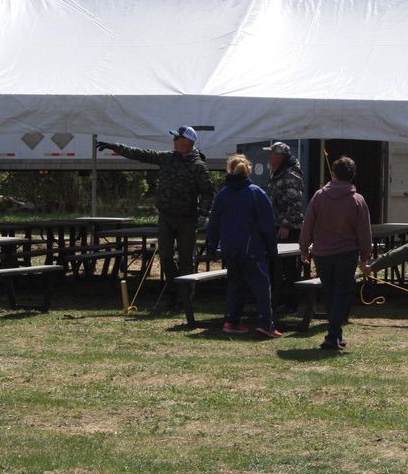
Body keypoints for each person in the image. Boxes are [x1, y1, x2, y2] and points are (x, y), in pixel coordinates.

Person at [96, 126, 214, 305]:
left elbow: (207, 192)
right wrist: (116, 147)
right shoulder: (167, 158)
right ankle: (175, 288)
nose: (174, 140)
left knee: (186, 260)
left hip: (187, 219)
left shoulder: (198, 166)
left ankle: (185, 298)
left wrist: (203, 214)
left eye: (177, 138)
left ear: (188, 142)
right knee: (165, 256)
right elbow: (140, 153)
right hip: (166, 217)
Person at [299, 156, 372, 350]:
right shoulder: (357, 200)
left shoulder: (319, 196)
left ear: (333, 173)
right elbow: (364, 231)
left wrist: (304, 248)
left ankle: (335, 334)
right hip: (346, 253)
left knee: (330, 293)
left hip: (322, 252)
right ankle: (333, 336)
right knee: (342, 294)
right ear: (353, 175)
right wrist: (365, 256)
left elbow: (308, 223)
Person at [206, 154, 282, 338]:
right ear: (247, 169)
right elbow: (268, 225)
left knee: (235, 285)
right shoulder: (256, 193)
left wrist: (211, 246)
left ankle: (232, 320)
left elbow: (214, 222)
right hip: (252, 248)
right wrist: (272, 249)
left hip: (230, 249)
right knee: (261, 285)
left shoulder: (222, 194)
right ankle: (266, 323)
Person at [263, 141, 306, 309]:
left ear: (280, 156)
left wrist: (286, 224)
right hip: (276, 224)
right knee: (276, 264)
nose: (269, 157)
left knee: (289, 266)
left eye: (272, 154)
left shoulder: (291, 173)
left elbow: (295, 202)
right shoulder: (277, 172)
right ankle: (278, 298)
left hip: (289, 228)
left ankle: (290, 302)